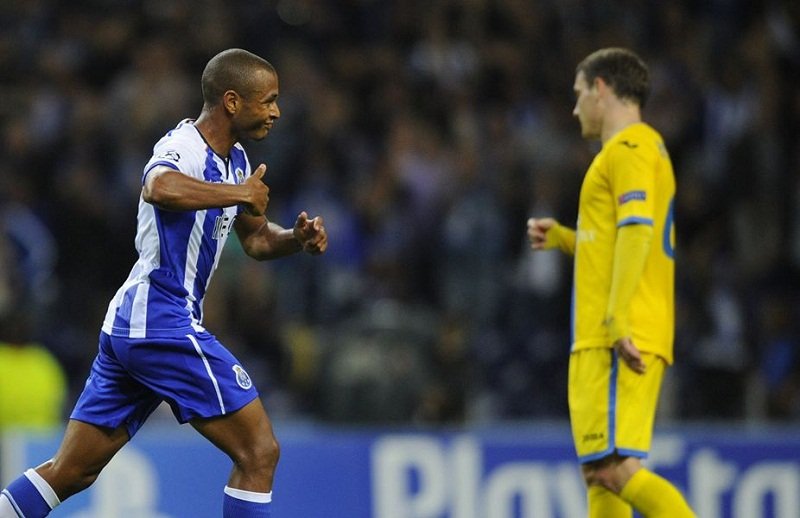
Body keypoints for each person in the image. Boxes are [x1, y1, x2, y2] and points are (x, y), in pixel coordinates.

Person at [0, 48, 328, 518]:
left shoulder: (236, 160)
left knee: (71, 472)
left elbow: (256, 240)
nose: (276, 111)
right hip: (161, 319)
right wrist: (239, 193)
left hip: (136, 326)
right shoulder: (184, 146)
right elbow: (159, 187)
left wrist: (296, 239)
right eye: (269, 100)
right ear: (232, 101)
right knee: (259, 451)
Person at [527, 47, 694, 517]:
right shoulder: (634, 151)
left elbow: (638, 231)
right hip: (603, 334)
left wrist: (618, 320)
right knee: (600, 473)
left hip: (618, 334)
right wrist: (564, 238)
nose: (575, 107)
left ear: (601, 89)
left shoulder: (631, 148)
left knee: (616, 470)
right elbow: (616, 240)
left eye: (579, 93)